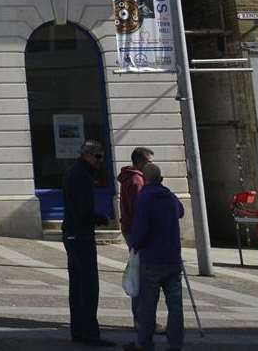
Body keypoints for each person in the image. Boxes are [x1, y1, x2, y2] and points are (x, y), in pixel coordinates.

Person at [124, 164, 185, 351]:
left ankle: (145, 343)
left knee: (148, 305)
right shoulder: (170, 196)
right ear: (161, 178)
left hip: (151, 258)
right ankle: (175, 344)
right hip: (173, 258)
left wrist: (135, 244)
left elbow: (140, 228)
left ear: (146, 178)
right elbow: (181, 212)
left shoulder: (144, 197)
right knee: (175, 305)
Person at [63, 139, 113, 347]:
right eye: (98, 156)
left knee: (78, 285)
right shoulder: (81, 176)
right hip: (80, 234)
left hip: (73, 233)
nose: (100, 161)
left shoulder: (76, 172)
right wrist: (100, 218)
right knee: (88, 285)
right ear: (87, 155)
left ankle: (79, 330)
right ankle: (89, 333)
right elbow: (83, 209)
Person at [118, 148, 154, 246]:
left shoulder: (129, 176)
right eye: (149, 162)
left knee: (136, 258)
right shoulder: (137, 181)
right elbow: (138, 208)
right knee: (141, 259)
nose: (152, 165)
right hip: (135, 228)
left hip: (129, 226)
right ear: (139, 162)